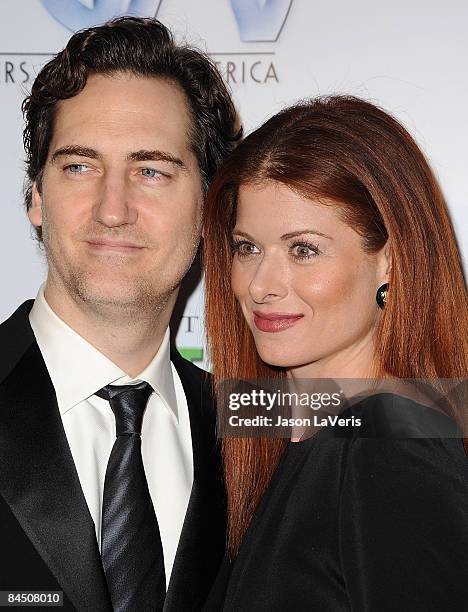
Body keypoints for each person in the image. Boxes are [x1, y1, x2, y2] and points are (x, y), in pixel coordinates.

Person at [0, 17, 240, 612]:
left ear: (208, 206)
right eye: (80, 166)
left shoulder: (262, 439)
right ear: (35, 196)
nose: (114, 209)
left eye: (151, 171)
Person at [202, 96, 468, 610]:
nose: (261, 285)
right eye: (247, 247)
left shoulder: (390, 442)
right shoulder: (274, 433)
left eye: (303, 250)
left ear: (390, 261)